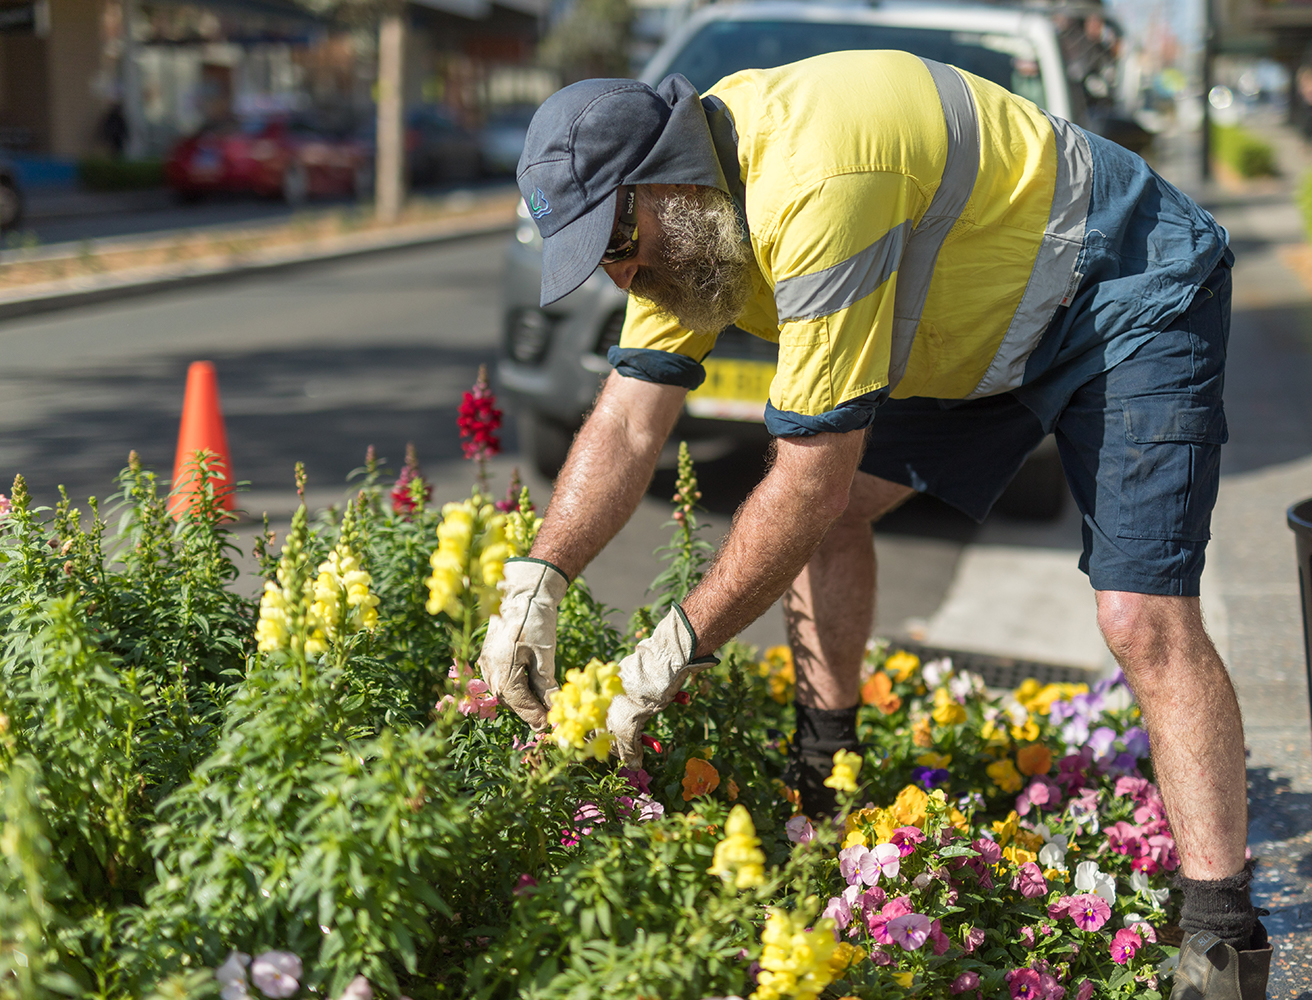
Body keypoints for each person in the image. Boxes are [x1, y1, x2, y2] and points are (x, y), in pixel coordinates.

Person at [481, 50, 1266, 999]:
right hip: (976, 330)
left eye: (618, 241)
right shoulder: (687, 225)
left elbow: (808, 479)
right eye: (601, 260)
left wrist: (672, 652)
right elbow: (626, 418)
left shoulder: (814, 179)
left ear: (666, 181)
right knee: (840, 514)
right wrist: (539, 580)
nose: (624, 274)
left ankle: (1224, 939)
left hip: (1121, 291)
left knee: (1140, 614)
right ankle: (829, 765)